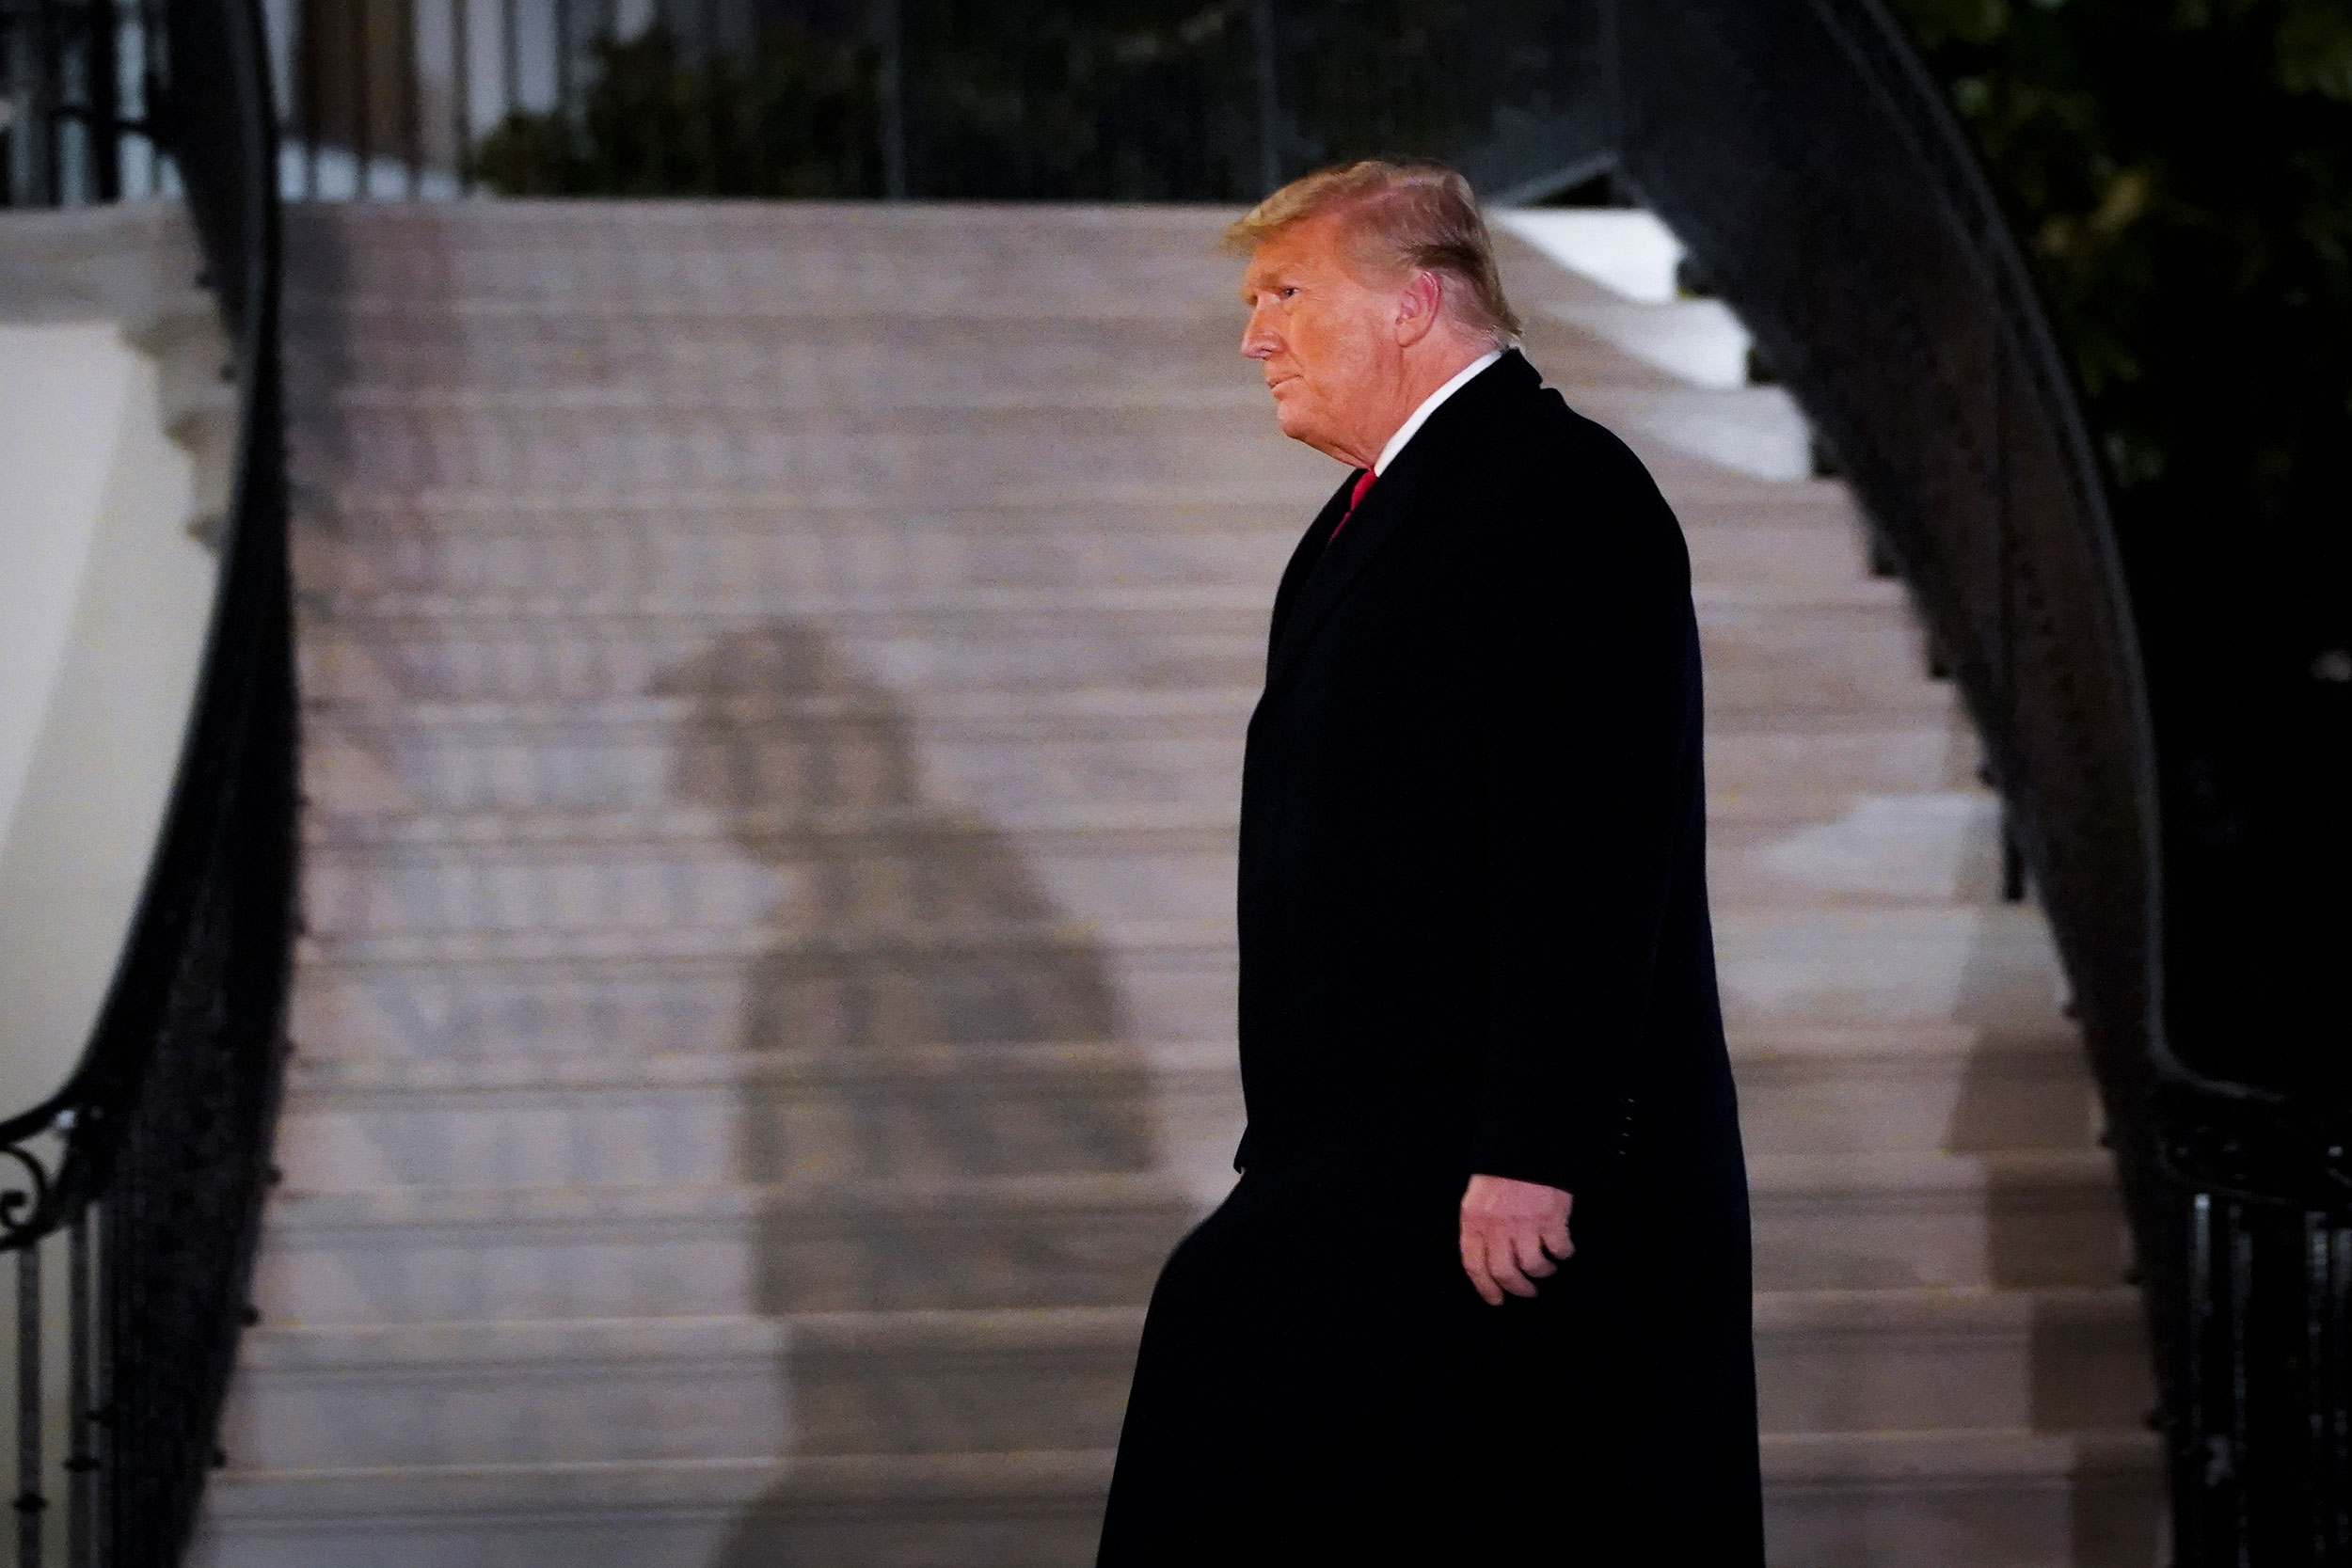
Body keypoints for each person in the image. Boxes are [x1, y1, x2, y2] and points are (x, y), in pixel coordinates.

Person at [1094, 161, 1764, 1564]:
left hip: (1495, 1181)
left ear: (1415, 304)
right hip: (1372, 1150)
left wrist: (1534, 1149)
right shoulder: (1367, 517)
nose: (1253, 335)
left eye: (1286, 293)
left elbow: (1590, 843)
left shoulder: (1561, 489)